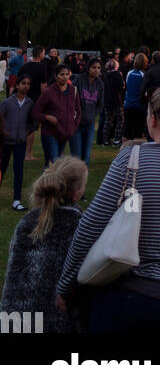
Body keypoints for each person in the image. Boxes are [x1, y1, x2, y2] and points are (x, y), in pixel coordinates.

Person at [58, 78, 160, 332]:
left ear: (153, 119)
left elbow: (92, 223)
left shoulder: (131, 157)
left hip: (131, 292)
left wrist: (66, 285)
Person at [0, 156, 89, 333]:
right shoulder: (80, 225)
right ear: (76, 193)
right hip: (55, 320)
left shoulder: (27, 221)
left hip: (14, 315)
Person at [32, 65, 81, 167]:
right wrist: (47, 117)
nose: (65, 77)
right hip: (50, 133)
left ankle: (50, 181)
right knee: (52, 164)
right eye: (62, 74)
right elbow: (35, 113)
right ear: (55, 76)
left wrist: (73, 126)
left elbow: (78, 112)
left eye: (67, 74)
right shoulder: (48, 92)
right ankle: (47, 182)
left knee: (57, 164)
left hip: (65, 133)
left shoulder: (73, 91)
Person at [1, 74, 35, 211]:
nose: (26, 86)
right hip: (6, 142)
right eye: (23, 83)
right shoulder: (7, 102)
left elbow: (32, 121)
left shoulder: (30, 103)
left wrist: (26, 132)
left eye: (28, 84)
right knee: (2, 169)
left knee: (18, 170)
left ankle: (16, 200)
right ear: (17, 85)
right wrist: (3, 132)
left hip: (20, 142)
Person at [70, 58, 104, 170]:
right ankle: (74, 179)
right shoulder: (79, 80)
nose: (96, 70)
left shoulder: (100, 84)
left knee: (86, 156)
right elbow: (71, 97)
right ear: (88, 68)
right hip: (77, 124)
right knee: (77, 156)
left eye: (98, 68)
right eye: (94, 67)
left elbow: (100, 104)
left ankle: (82, 182)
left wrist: (93, 115)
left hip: (89, 124)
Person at [123, 52, 148, 141]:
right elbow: (145, 92)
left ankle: (124, 151)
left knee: (127, 129)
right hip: (138, 106)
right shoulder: (143, 75)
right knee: (138, 131)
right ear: (144, 62)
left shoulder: (129, 73)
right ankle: (136, 152)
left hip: (128, 105)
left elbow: (126, 87)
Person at [101, 59, 125, 146]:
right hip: (116, 101)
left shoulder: (104, 74)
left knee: (108, 121)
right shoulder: (118, 74)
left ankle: (105, 141)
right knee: (120, 120)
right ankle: (117, 140)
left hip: (106, 100)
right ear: (116, 66)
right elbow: (121, 87)